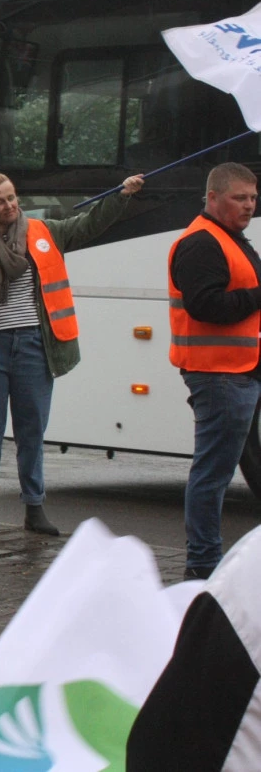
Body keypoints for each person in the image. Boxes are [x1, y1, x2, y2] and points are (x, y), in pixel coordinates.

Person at [0, 171, 143, 535]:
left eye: (11, 197)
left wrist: (121, 195)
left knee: (31, 433)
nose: (8, 206)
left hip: (34, 347)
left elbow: (89, 224)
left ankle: (34, 509)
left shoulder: (44, 231)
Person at [167, 163, 261, 579]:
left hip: (239, 372)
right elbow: (206, 307)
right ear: (212, 197)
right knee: (213, 475)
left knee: (220, 471)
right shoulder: (202, 243)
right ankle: (203, 566)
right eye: (240, 197)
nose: (249, 205)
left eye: (253, 198)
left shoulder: (229, 239)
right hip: (220, 375)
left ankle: (206, 562)